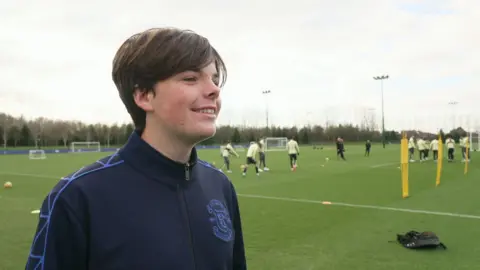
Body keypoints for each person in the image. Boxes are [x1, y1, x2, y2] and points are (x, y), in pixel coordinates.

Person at [25, 27, 247, 270]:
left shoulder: (220, 186)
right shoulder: (77, 198)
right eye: (190, 78)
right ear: (143, 96)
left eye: (214, 79)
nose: (214, 90)